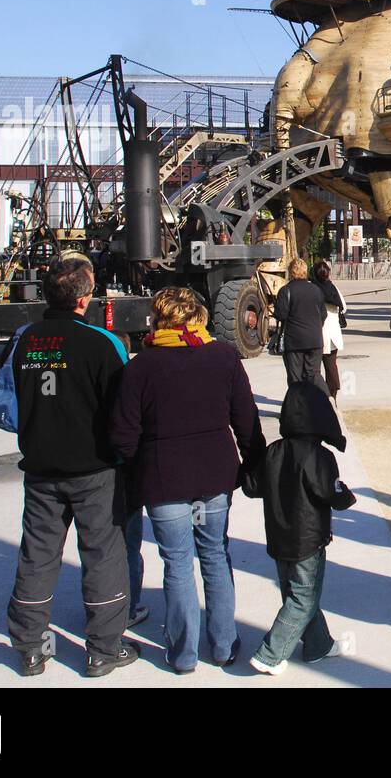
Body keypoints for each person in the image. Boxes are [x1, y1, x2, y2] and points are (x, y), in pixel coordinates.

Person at [110, 288, 264, 673]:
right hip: (214, 475)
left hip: (164, 479)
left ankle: (183, 654)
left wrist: (129, 471)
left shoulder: (142, 366)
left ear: (158, 319)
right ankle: (225, 644)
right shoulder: (223, 356)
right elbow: (245, 419)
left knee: (177, 562)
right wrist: (254, 463)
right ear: (199, 316)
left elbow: (124, 434)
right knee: (215, 554)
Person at [2, 258, 141, 677]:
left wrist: (37, 423)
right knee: (102, 554)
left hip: (42, 468)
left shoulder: (22, 340)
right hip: (95, 469)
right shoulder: (103, 343)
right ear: (84, 298)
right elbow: (123, 410)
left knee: (37, 555)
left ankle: (29, 648)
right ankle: (103, 648)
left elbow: (2, 408)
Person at [244, 382, 356, 674]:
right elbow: (329, 494)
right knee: (302, 599)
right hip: (308, 539)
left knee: (297, 595)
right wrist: (346, 495)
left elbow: (252, 487)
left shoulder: (273, 451)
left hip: (278, 537)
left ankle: (319, 644)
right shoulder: (319, 457)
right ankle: (270, 654)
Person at [274, 257, 328, 386]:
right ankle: (325, 399)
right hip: (315, 339)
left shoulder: (286, 291)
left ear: (290, 272)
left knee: (295, 378)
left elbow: (280, 315)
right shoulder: (316, 290)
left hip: (294, 341)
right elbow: (323, 314)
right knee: (314, 374)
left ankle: (298, 404)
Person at [311, 259, 346, 400]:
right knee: (331, 367)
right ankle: (333, 395)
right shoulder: (332, 288)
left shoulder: (313, 288)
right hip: (333, 334)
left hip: (318, 334)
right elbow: (344, 306)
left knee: (315, 369)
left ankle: (321, 395)